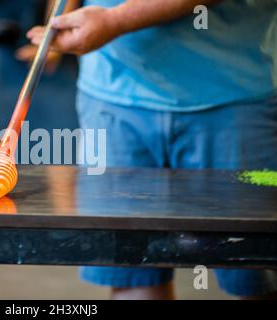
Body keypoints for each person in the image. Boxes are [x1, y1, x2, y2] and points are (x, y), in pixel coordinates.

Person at [17, 0, 277, 299]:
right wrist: (58, 24)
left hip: (234, 94)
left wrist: (114, 22)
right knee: (132, 276)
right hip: (111, 98)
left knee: (257, 276)